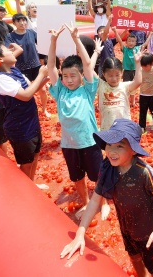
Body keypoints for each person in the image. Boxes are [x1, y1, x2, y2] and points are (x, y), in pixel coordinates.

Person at [60, 119, 153, 277]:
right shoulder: (107, 168)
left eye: (120, 146)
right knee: (134, 258)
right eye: (109, 145)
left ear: (133, 150)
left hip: (146, 232)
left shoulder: (143, 172)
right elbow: (95, 199)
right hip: (126, 228)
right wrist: (80, 233)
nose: (112, 151)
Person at [48, 23, 111, 219]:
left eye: (72, 75)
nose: (68, 79)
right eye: (65, 76)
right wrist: (53, 41)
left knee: (98, 175)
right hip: (69, 144)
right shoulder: (59, 91)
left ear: (81, 77)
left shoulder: (87, 89)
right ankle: (86, 203)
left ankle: (104, 202)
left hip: (90, 142)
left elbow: (86, 64)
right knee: (77, 177)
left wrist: (76, 39)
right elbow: (50, 66)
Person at [0, 41, 48, 181]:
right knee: (26, 163)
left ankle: (31, 184)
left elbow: (31, 88)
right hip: (19, 126)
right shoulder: (0, 79)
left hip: (30, 121)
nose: (12, 52)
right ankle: (26, 191)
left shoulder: (13, 70)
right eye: (7, 50)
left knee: (34, 155)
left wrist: (47, 78)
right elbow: (26, 95)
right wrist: (41, 74)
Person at [5, 13, 50, 117]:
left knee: (42, 89)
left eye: (24, 20)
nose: (22, 23)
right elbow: (8, 49)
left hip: (35, 64)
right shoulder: (10, 36)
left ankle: (44, 109)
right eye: (19, 21)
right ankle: (28, 111)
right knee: (27, 90)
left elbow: (42, 42)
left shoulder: (31, 32)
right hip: (21, 67)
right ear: (14, 23)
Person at [97, 53, 143, 131]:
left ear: (122, 73)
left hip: (124, 128)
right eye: (110, 76)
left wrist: (138, 63)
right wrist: (96, 53)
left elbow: (138, 82)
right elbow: (89, 70)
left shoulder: (125, 86)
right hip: (107, 129)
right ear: (104, 74)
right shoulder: (101, 85)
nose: (114, 79)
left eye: (117, 75)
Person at [113, 28, 151, 107]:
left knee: (134, 87)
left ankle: (132, 101)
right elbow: (119, 40)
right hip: (126, 71)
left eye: (133, 41)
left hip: (134, 71)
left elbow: (145, 44)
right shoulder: (125, 49)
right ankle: (126, 100)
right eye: (129, 41)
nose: (131, 43)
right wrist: (116, 31)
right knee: (126, 86)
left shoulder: (137, 49)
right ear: (126, 42)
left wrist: (151, 34)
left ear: (135, 43)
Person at [138, 53, 153, 132]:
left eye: (146, 66)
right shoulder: (140, 69)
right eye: (142, 65)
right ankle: (142, 126)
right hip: (143, 94)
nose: (144, 67)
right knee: (142, 110)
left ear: (152, 64)